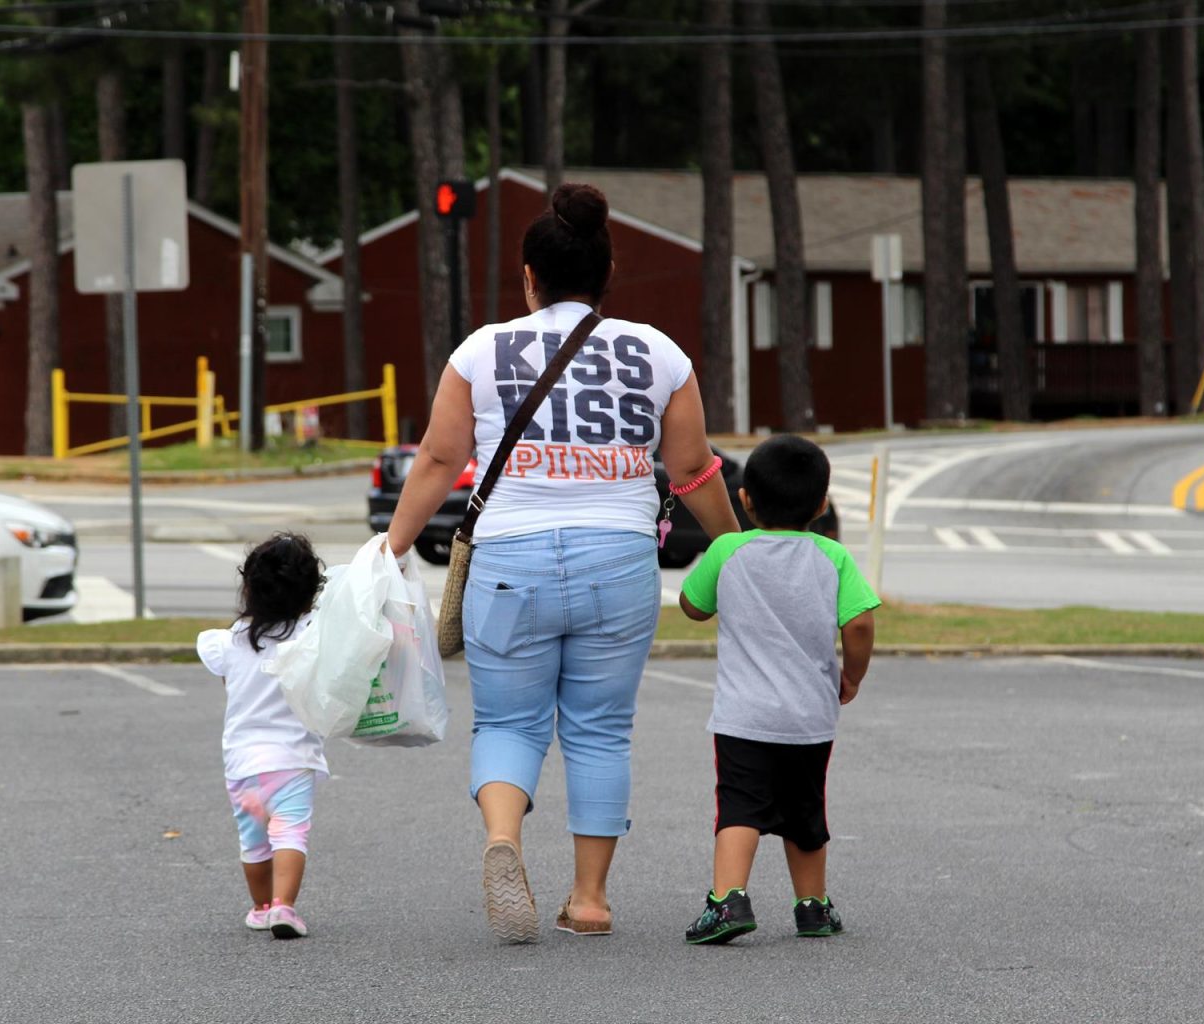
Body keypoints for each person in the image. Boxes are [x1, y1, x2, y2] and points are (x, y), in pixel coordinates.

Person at [386, 182, 741, 943]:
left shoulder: (481, 350)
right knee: (601, 731)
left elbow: (441, 457)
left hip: (511, 559)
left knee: (509, 722)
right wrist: (739, 544)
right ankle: (589, 899)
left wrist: (389, 547)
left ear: (528, 276)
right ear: (607, 275)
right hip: (618, 558)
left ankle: (502, 839)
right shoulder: (660, 353)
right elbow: (692, 470)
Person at [677, 434, 879, 944]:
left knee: (740, 807)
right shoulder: (833, 557)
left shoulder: (729, 550)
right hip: (810, 717)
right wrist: (851, 674)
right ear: (820, 504)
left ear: (745, 499)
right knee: (806, 811)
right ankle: (811, 906)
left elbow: (691, 605)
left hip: (743, 715)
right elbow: (858, 624)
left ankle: (728, 901)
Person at [197, 533, 328, 940]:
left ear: (249, 588)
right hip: (293, 759)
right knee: (290, 833)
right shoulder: (312, 635)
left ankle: (260, 907)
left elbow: (228, 683)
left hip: (243, 766)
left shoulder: (230, 641)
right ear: (310, 592)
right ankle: (285, 907)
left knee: (254, 841)